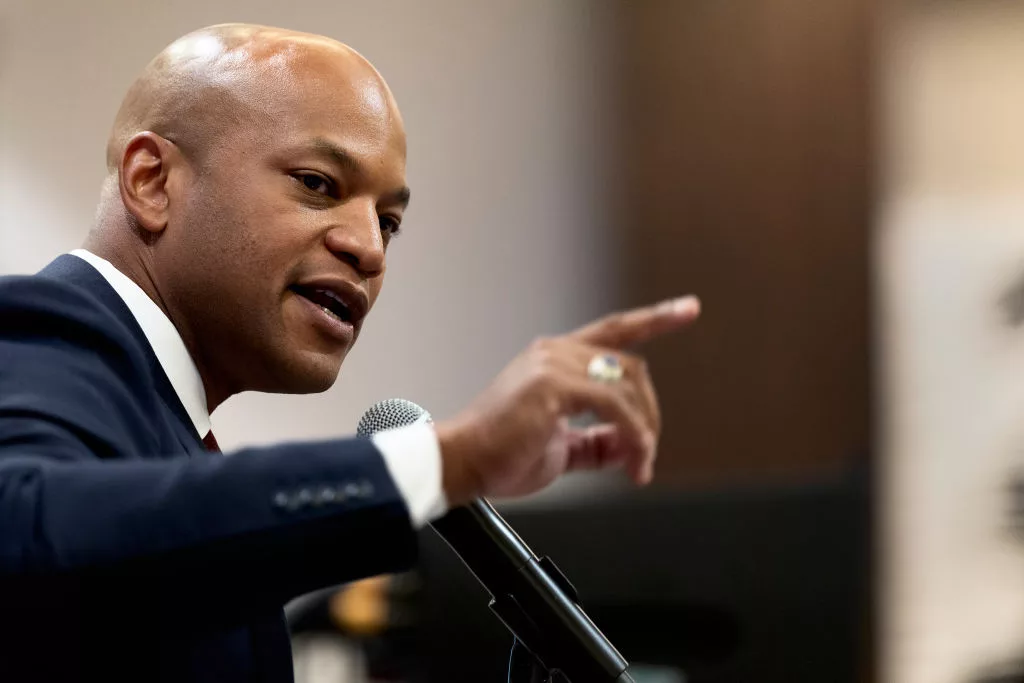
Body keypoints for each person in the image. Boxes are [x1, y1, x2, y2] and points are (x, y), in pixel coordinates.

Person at [0, 23, 700, 682]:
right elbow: (27, 534)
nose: (368, 248)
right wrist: (454, 457)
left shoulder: (165, 425)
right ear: (152, 181)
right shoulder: (37, 329)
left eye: (387, 221)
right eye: (318, 184)